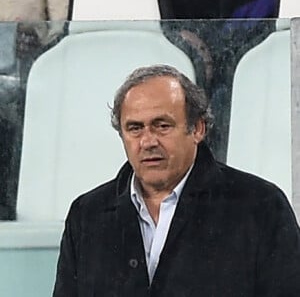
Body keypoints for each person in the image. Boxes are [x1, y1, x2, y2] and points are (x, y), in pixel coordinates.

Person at [53, 64, 300, 297]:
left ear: (198, 129)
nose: (148, 142)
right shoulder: (87, 215)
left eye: (162, 126)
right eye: (135, 128)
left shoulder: (261, 206)